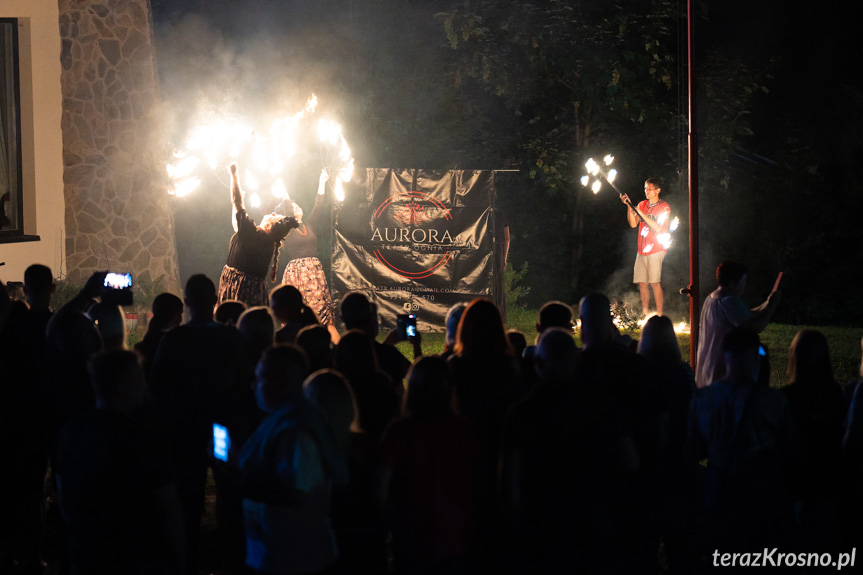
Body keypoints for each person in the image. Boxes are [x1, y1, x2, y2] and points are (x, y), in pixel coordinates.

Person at [55, 350, 184, 575]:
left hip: (87, 553)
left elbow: (64, 494)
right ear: (126, 384)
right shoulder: (145, 440)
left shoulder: (72, 432)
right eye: (140, 379)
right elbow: (167, 508)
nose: (144, 386)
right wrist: (180, 559)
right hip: (136, 557)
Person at [239, 345, 348, 575]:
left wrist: (237, 480)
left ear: (285, 381)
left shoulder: (296, 428)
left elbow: (298, 492)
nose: (253, 384)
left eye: (261, 377)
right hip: (279, 553)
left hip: (297, 559)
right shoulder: (282, 418)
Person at [218, 163, 298, 308]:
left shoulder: (254, 234)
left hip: (238, 292)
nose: (272, 213)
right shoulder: (264, 241)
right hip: (249, 294)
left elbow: (236, 201)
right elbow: (237, 225)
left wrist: (234, 174)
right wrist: (237, 199)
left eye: (274, 216)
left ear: (269, 226)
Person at [694, 261, 781, 388]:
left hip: (707, 369)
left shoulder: (712, 298)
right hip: (718, 372)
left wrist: (767, 303)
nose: (744, 286)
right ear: (732, 284)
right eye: (743, 281)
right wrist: (772, 306)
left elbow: (746, 315)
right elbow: (756, 327)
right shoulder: (728, 302)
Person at [278, 170, 339, 341]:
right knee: (296, 315)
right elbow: (288, 204)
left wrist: (322, 181)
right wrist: (282, 185)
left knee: (326, 318)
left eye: (298, 206)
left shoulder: (309, 225)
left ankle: (338, 353)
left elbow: (319, 204)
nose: (297, 207)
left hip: (314, 273)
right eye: (294, 207)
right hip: (297, 274)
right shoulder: (287, 230)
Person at [620, 178, 670, 317]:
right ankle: (645, 313)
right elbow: (633, 224)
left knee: (654, 282)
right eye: (645, 188)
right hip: (641, 249)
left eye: (650, 188)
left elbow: (658, 228)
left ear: (658, 190)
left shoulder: (664, 207)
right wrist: (629, 206)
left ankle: (660, 314)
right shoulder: (642, 204)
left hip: (656, 248)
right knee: (642, 283)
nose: (646, 191)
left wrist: (641, 213)